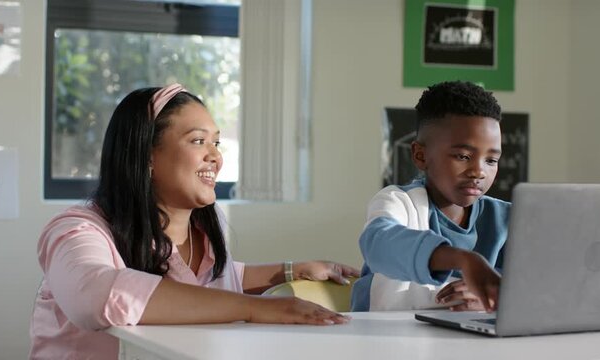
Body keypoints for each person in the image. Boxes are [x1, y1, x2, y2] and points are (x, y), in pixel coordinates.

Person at [30, 84, 359, 359]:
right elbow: (96, 295)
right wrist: (257, 308)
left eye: (216, 142)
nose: (215, 156)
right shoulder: (77, 230)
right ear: (146, 155)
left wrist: (293, 269)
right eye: (198, 141)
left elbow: (216, 278)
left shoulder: (204, 233)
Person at [350, 81, 510, 313]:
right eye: (463, 156)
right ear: (420, 155)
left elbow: (533, 284)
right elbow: (377, 245)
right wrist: (464, 260)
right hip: (385, 339)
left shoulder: (507, 217)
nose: (479, 171)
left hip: (469, 343)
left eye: (491, 160)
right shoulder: (398, 202)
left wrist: (495, 298)